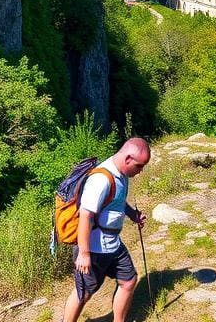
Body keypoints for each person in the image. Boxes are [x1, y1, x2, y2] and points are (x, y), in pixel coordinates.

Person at [63, 138, 151, 322]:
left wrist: (132, 214)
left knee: (129, 281)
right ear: (128, 159)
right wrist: (84, 253)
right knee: (83, 293)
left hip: (113, 245)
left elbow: (116, 202)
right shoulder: (101, 180)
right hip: (94, 249)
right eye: (139, 166)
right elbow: (85, 216)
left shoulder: (122, 175)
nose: (140, 171)